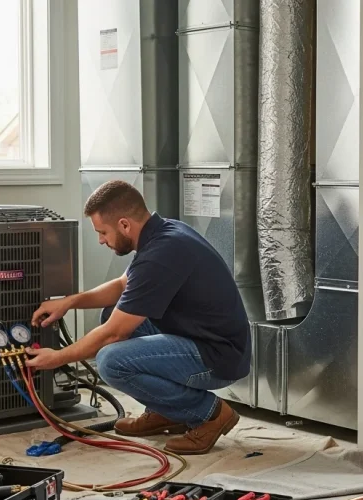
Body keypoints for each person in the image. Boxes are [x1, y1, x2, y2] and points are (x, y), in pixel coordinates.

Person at [25, 179, 251, 455]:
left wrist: (57, 357)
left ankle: (210, 414)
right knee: (114, 312)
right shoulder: (163, 235)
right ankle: (166, 411)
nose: (101, 240)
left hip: (217, 357)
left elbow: (113, 334)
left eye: (103, 232)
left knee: (110, 361)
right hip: (200, 339)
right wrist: (70, 302)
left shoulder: (162, 253)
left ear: (124, 224)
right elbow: (123, 286)